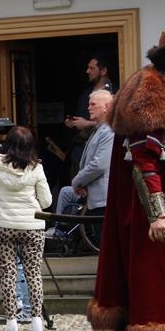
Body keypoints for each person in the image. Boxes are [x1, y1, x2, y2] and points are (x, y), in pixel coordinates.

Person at [88, 28, 165, 331]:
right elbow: (144, 161)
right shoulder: (149, 91)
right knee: (162, 301)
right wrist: (158, 215)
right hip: (158, 222)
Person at [0, 126, 52, 331]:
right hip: (32, 227)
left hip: (4, 227)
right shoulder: (37, 168)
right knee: (33, 274)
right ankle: (37, 324)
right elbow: (46, 201)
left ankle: (11, 325)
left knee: (8, 274)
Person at [49, 89, 115, 239]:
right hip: (96, 197)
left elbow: (98, 165)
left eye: (93, 104)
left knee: (103, 240)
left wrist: (77, 181)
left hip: (104, 198)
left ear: (106, 107)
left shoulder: (109, 131)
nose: (88, 108)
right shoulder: (100, 129)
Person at [65, 55, 115, 175]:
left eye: (91, 68)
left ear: (103, 71)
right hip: (80, 152)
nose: (87, 71)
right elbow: (80, 117)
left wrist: (88, 124)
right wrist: (73, 123)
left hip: (102, 151)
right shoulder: (85, 94)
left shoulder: (114, 93)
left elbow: (116, 122)